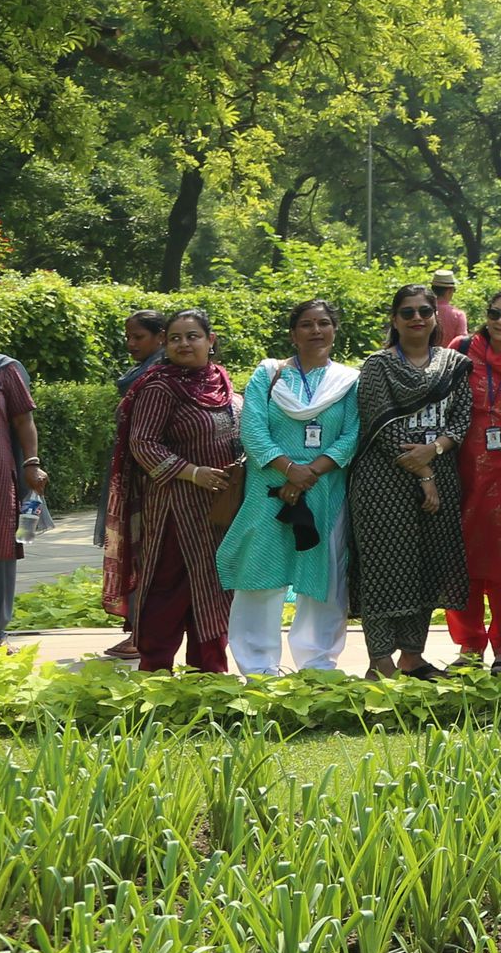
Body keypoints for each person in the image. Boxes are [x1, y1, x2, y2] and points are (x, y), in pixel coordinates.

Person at [216, 298, 358, 676]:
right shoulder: (269, 375)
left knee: (323, 578)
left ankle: (318, 664)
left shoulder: (349, 381)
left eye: (323, 323)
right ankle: (258, 668)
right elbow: (253, 431)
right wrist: (289, 470)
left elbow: (351, 435)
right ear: (293, 334)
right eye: (307, 324)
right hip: (269, 489)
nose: (316, 330)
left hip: (325, 491)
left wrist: (310, 473)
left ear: (334, 330)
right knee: (260, 575)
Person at [350, 285, 472, 680]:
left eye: (424, 311)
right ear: (394, 319)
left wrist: (434, 451)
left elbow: (462, 418)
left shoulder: (454, 364)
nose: (417, 318)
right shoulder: (378, 365)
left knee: (426, 566)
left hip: (440, 474)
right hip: (384, 480)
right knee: (385, 568)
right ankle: (380, 660)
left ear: (436, 316)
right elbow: (381, 426)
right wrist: (424, 474)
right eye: (407, 312)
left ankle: (412, 656)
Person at [120, 309, 239, 672]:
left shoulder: (221, 381)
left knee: (214, 588)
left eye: (192, 336)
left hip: (219, 509)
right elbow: (142, 444)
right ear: (165, 344)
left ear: (210, 340)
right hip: (176, 508)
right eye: (175, 338)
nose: (184, 344)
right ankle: (155, 671)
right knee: (167, 590)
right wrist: (193, 473)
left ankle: (209, 672)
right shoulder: (160, 386)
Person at [447, 287, 501, 670]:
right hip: (461, 467)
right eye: (494, 313)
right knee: (460, 560)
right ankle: (469, 647)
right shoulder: (463, 349)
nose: (500, 322)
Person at [96, 307, 166, 659]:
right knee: (137, 553)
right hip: (135, 475)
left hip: (152, 479)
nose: (130, 343)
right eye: (128, 336)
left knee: (145, 555)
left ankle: (145, 635)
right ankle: (141, 632)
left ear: (160, 338)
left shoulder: (158, 376)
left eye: (138, 337)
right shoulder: (140, 376)